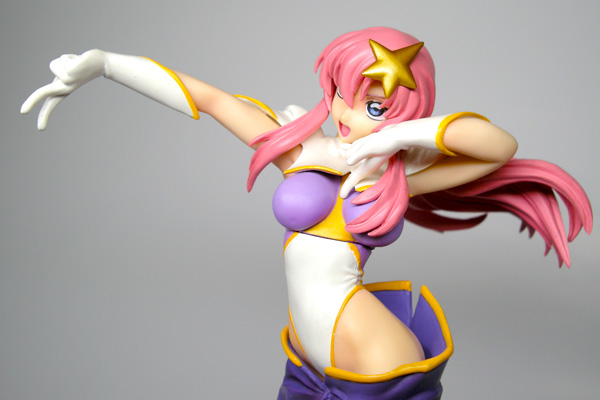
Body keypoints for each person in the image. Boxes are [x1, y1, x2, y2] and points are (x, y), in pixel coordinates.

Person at [21, 27, 592, 400]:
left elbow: (498, 147)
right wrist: (106, 64)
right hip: (309, 355)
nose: (347, 113)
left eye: (373, 105)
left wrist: (398, 136)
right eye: (343, 92)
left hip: (374, 356)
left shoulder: (398, 177)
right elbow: (212, 99)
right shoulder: (298, 149)